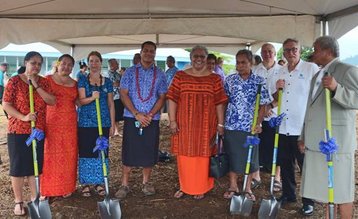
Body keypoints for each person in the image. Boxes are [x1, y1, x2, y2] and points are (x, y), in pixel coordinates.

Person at [300, 36, 358, 219]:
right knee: (327, 190)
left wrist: (336, 88)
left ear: (327, 51)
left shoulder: (346, 70)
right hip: (318, 142)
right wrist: (303, 136)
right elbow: (310, 109)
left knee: (342, 190)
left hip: (337, 142)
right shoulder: (317, 75)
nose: (312, 53)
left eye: (315, 49)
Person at [167, 45, 227, 200]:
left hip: (207, 125)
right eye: (196, 56)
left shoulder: (215, 78)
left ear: (207, 59)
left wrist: (221, 124)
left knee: (203, 157)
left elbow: (220, 102)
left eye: (202, 56)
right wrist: (172, 121)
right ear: (191, 58)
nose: (199, 59)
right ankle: (185, 186)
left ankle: (200, 187)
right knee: (184, 157)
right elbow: (172, 98)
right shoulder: (180, 76)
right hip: (184, 124)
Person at [2, 51, 56, 216]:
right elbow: (6, 104)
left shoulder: (44, 82)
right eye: (33, 63)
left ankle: (35, 197)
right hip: (18, 130)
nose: (36, 66)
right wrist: (24, 117)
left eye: (39, 63)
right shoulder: (14, 81)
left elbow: (52, 101)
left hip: (38, 131)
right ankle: (19, 201)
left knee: (35, 166)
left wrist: (36, 85)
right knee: (18, 167)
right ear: (26, 63)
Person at [116, 41, 167, 199]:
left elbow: (162, 97)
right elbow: (123, 94)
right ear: (141, 52)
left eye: (152, 51)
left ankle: (146, 182)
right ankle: (125, 184)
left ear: (155, 54)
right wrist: (137, 113)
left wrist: (150, 115)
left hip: (152, 118)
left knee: (148, 149)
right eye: (146, 50)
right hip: (132, 117)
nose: (149, 53)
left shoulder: (160, 74)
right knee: (129, 149)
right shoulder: (130, 72)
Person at [274, 38, 319, 214]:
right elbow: (275, 98)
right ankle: (288, 194)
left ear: (300, 50)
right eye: (287, 50)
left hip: (302, 127)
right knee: (285, 164)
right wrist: (277, 88)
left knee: (305, 165)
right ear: (283, 53)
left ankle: (309, 201)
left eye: (294, 49)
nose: (291, 52)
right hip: (284, 126)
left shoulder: (310, 68)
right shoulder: (281, 71)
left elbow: (317, 97)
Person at [223, 49, 271, 201]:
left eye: (243, 62)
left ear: (251, 63)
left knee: (250, 158)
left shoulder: (259, 81)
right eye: (238, 62)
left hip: (250, 127)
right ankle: (233, 185)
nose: (240, 65)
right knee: (232, 155)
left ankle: (247, 187)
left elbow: (263, 106)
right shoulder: (230, 80)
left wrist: (259, 123)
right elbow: (224, 102)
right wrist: (222, 123)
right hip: (232, 125)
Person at [40, 54, 79, 198]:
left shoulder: (75, 83)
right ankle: (47, 189)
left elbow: (79, 102)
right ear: (58, 63)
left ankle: (66, 187)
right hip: (51, 121)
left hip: (69, 123)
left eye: (70, 65)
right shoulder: (47, 80)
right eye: (64, 63)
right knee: (49, 154)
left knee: (69, 154)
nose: (66, 67)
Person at [77, 51, 115, 197]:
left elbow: (111, 103)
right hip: (86, 122)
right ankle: (86, 183)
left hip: (103, 121)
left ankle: (100, 182)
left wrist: (112, 124)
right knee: (86, 151)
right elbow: (80, 101)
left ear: (101, 62)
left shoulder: (108, 82)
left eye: (96, 61)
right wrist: (92, 98)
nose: (94, 64)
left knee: (101, 151)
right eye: (91, 61)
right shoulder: (82, 80)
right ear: (88, 63)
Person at [252, 43, 283, 191]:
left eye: (270, 51)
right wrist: (260, 110)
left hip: (275, 115)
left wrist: (270, 106)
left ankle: (277, 177)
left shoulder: (282, 71)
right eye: (264, 51)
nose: (267, 54)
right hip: (258, 116)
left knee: (277, 146)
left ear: (275, 53)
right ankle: (256, 175)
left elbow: (284, 92)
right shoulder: (255, 70)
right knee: (257, 144)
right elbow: (252, 93)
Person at [107, 59, 124, 136]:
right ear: (111, 65)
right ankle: (112, 130)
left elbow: (121, 83)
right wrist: (114, 84)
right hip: (112, 97)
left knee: (117, 115)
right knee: (112, 114)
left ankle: (117, 130)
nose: (117, 65)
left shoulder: (118, 74)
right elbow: (110, 84)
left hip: (119, 96)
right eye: (116, 64)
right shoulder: (107, 74)